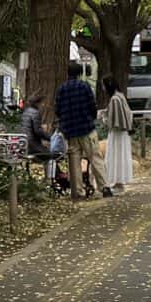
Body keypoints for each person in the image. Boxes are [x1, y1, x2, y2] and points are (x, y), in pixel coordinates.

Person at [54, 62, 103, 200]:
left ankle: (78, 192)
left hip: (70, 131)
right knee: (95, 157)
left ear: (67, 73)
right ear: (80, 73)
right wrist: (91, 118)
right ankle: (103, 187)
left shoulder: (61, 89)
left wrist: (65, 122)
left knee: (74, 163)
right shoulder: (84, 86)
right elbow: (92, 105)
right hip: (86, 128)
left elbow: (57, 109)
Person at [101, 78, 136, 193]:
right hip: (122, 133)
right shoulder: (120, 96)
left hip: (117, 133)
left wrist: (103, 118)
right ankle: (118, 182)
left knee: (115, 156)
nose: (103, 88)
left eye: (104, 86)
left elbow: (113, 120)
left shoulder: (115, 99)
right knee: (120, 156)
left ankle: (117, 183)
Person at [19, 93, 51, 190]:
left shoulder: (26, 111)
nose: (43, 105)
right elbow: (38, 131)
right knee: (50, 155)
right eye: (42, 103)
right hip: (31, 144)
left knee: (47, 152)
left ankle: (46, 179)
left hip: (24, 143)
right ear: (38, 103)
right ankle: (49, 179)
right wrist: (50, 137)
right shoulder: (35, 113)